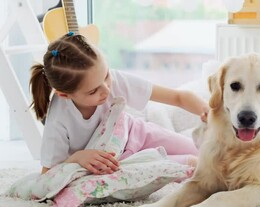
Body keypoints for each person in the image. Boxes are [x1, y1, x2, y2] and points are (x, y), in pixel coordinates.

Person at [29, 32, 209, 175]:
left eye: (106, 76)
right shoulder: (59, 119)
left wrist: (211, 113)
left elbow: (178, 97)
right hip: (117, 162)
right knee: (193, 166)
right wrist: (77, 158)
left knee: (207, 153)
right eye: (93, 91)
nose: (106, 90)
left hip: (138, 134)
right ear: (65, 95)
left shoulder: (114, 80)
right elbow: (47, 174)